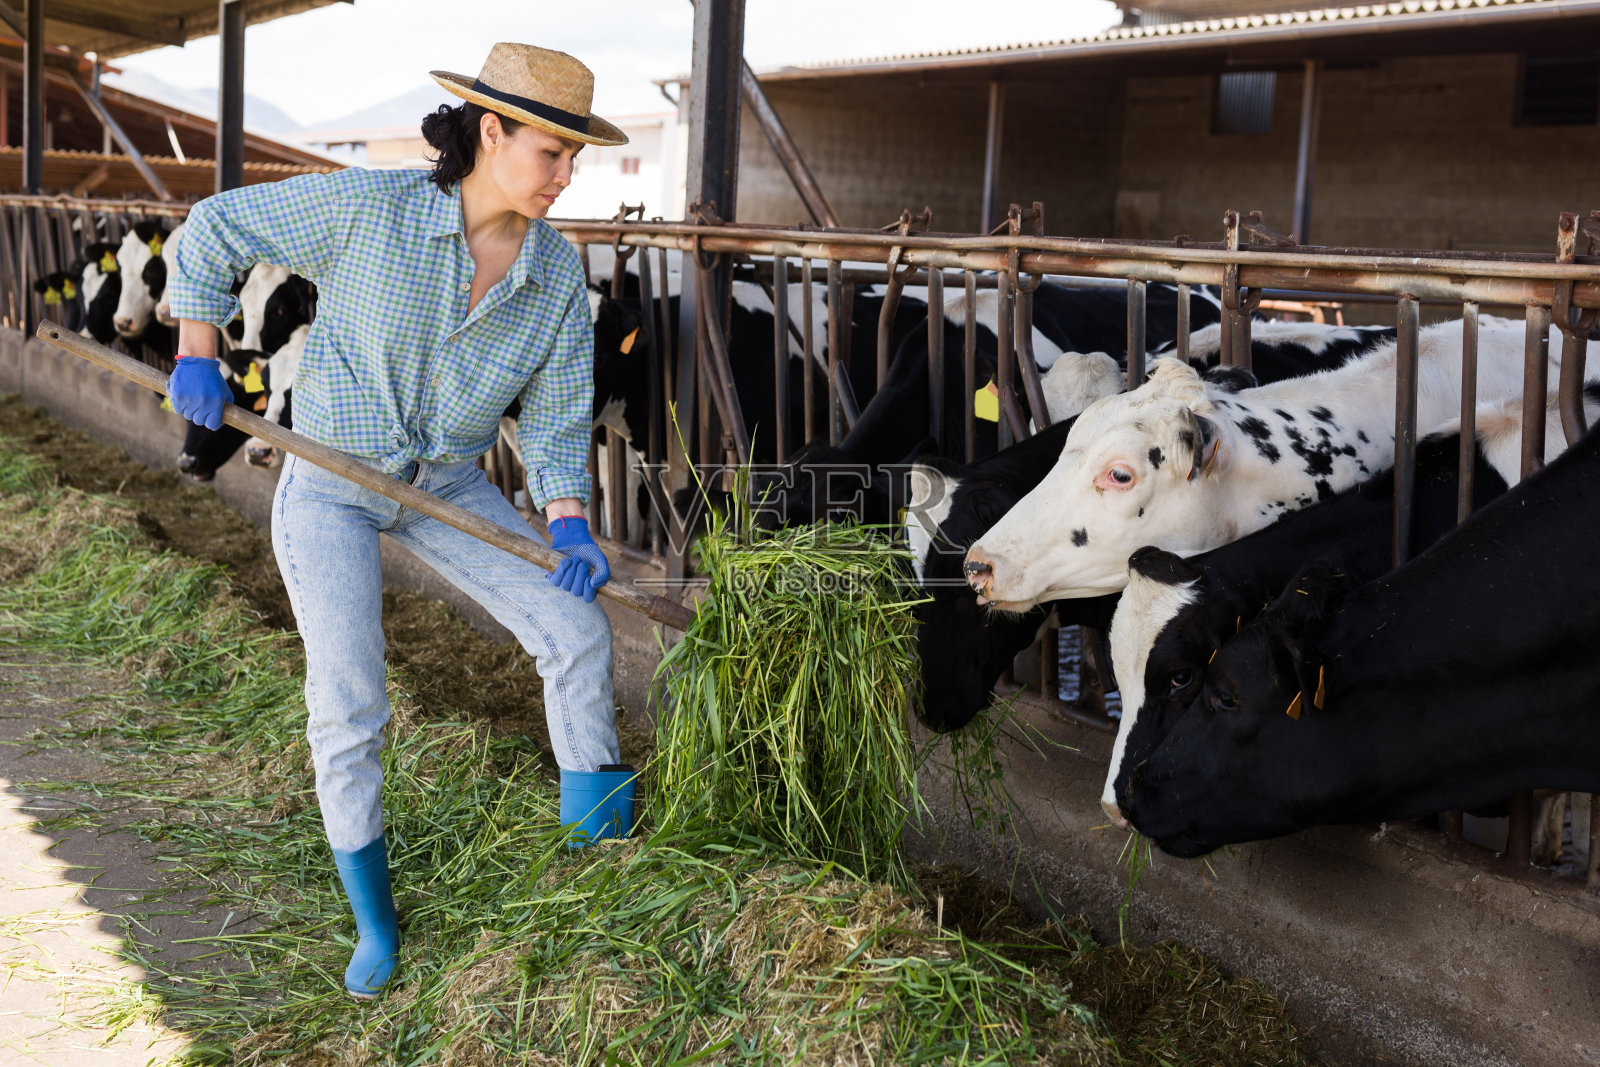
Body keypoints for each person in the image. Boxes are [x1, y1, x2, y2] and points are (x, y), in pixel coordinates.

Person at [164, 43, 638, 1001]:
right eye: (552, 152)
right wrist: (198, 346)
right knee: (350, 701)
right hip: (331, 480)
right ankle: (374, 923)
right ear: (491, 132)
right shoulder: (371, 208)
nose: (566, 175)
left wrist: (568, 521)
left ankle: (602, 881)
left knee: (577, 631)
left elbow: (555, 413)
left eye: (575, 157)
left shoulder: (554, 273)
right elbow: (215, 225)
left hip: (448, 483)